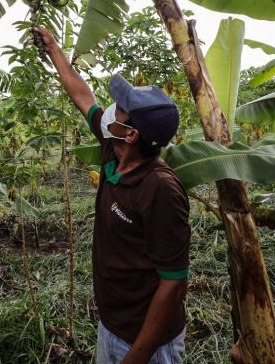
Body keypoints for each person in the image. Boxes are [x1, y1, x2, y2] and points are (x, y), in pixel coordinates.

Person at [32, 27, 190, 364]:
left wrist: (137, 356)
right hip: (112, 325)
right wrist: (54, 50)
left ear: (131, 133)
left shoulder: (160, 189)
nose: (111, 110)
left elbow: (173, 283)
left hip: (148, 344)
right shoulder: (113, 148)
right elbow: (82, 96)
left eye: (120, 109)